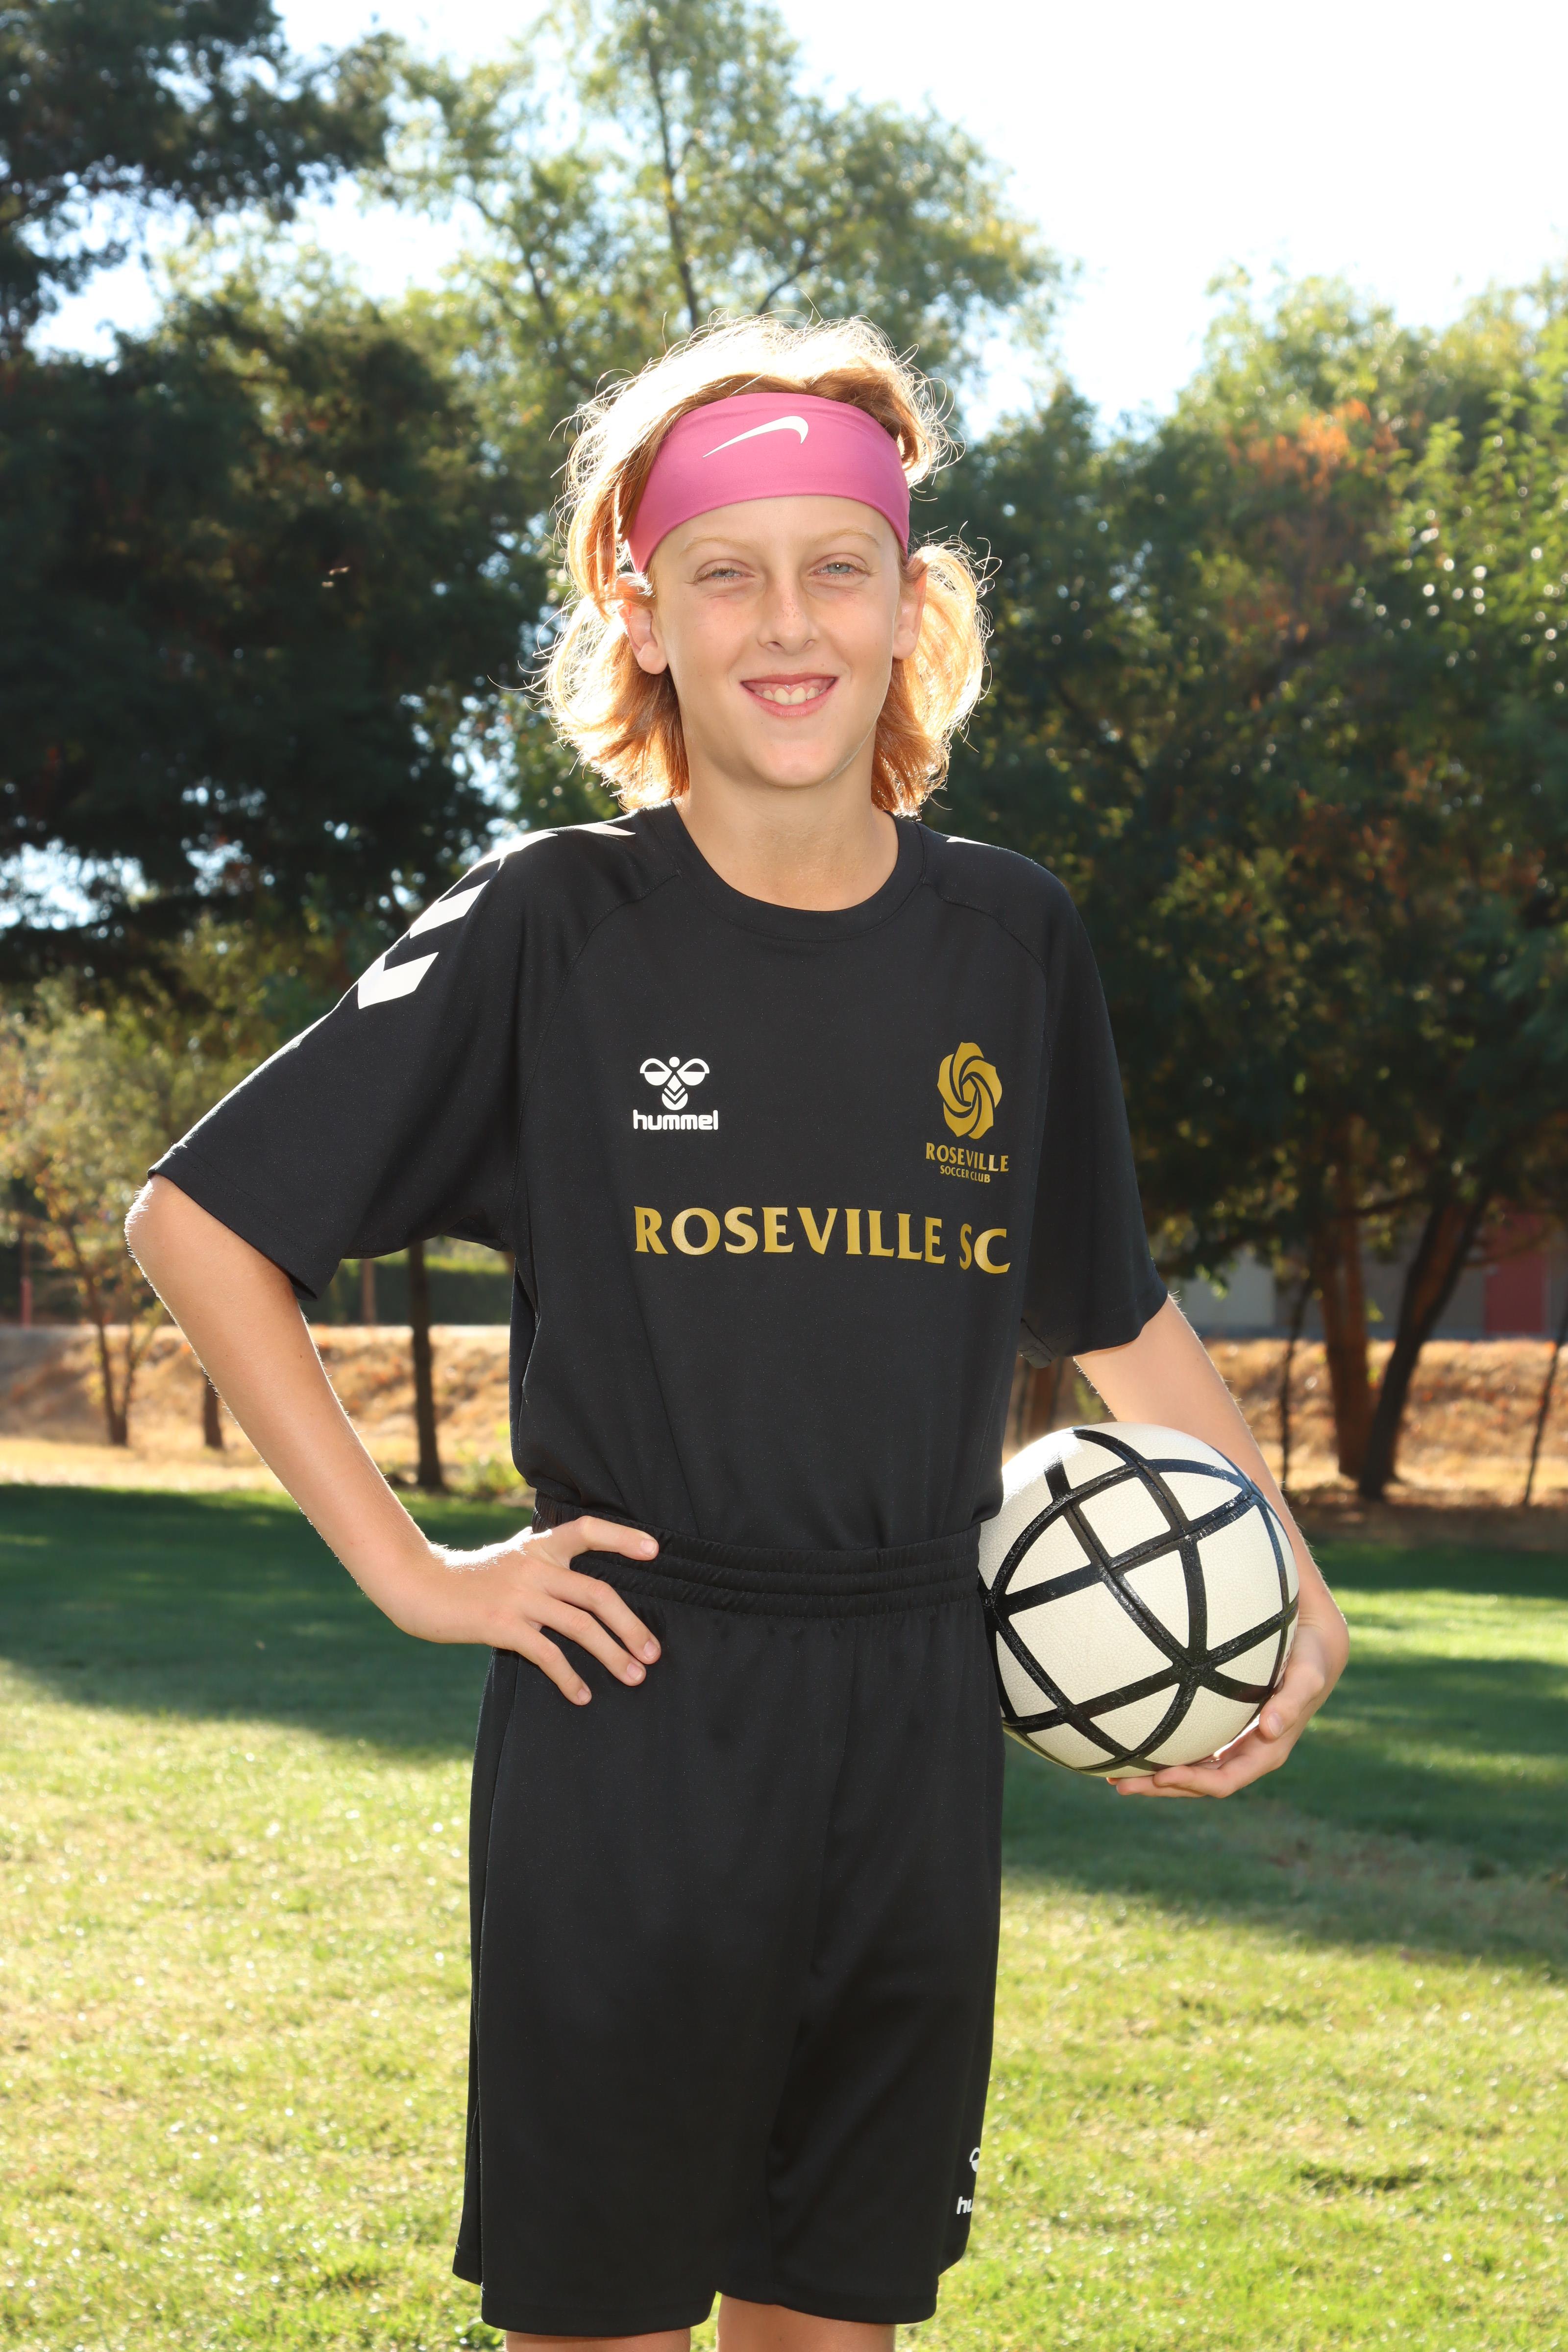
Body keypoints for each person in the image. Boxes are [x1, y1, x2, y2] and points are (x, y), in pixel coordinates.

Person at [127, 315, 1348, 2352]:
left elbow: (1107, 1308)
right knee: (599, 2324)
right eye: (725, 573)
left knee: (833, 2323)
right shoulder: (553, 924)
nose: (786, 621)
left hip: (918, 1714)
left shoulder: (1009, 941)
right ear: (645, 616)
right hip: (634, 1712)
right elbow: (201, 1224)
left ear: (907, 608)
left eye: (836, 567)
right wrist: (419, 1576)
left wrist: (1285, 1576)